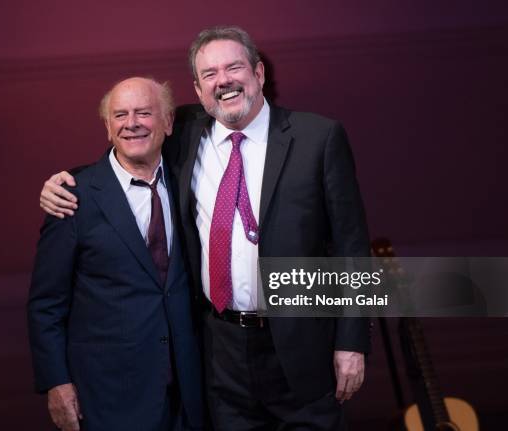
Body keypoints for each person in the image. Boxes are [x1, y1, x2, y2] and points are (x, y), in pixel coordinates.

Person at [39, 27, 370, 431]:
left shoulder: (318, 138)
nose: (223, 81)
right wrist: (66, 180)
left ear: (259, 73)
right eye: (209, 74)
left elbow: (352, 248)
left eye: (234, 67)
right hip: (218, 352)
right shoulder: (186, 133)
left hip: (303, 347)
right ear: (197, 91)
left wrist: (352, 342)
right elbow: (128, 148)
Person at [28, 77, 203, 431]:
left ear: (168, 122)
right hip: (110, 396)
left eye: (144, 112)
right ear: (108, 128)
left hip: (190, 393)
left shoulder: (191, 181)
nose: (132, 123)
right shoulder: (73, 199)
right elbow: (46, 304)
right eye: (120, 115)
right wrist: (55, 382)